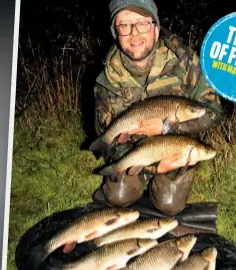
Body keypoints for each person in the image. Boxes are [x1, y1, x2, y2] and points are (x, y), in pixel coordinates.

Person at [93, 0, 223, 216]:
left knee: (169, 204)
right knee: (118, 197)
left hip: (176, 148)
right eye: (124, 26)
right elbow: (110, 139)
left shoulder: (186, 61)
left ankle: (162, 182)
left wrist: (166, 129)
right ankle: (139, 179)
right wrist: (150, 166)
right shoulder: (107, 79)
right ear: (115, 32)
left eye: (142, 24)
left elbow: (212, 112)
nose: (134, 34)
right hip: (133, 151)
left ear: (155, 27)